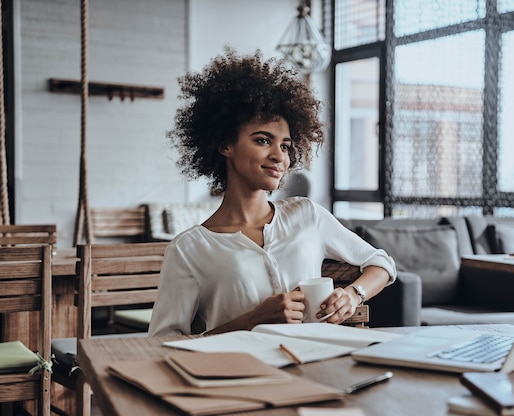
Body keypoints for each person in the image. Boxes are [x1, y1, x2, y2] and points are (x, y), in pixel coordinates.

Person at [148, 48, 396, 337]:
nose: (279, 156)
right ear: (225, 144)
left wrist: (354, 294)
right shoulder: (189, 249)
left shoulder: (307, 215)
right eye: (263, 140)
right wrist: (253, 320)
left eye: (286, 145)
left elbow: (382, 263)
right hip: (243, 376)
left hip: (318, 365)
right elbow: (163, 341)